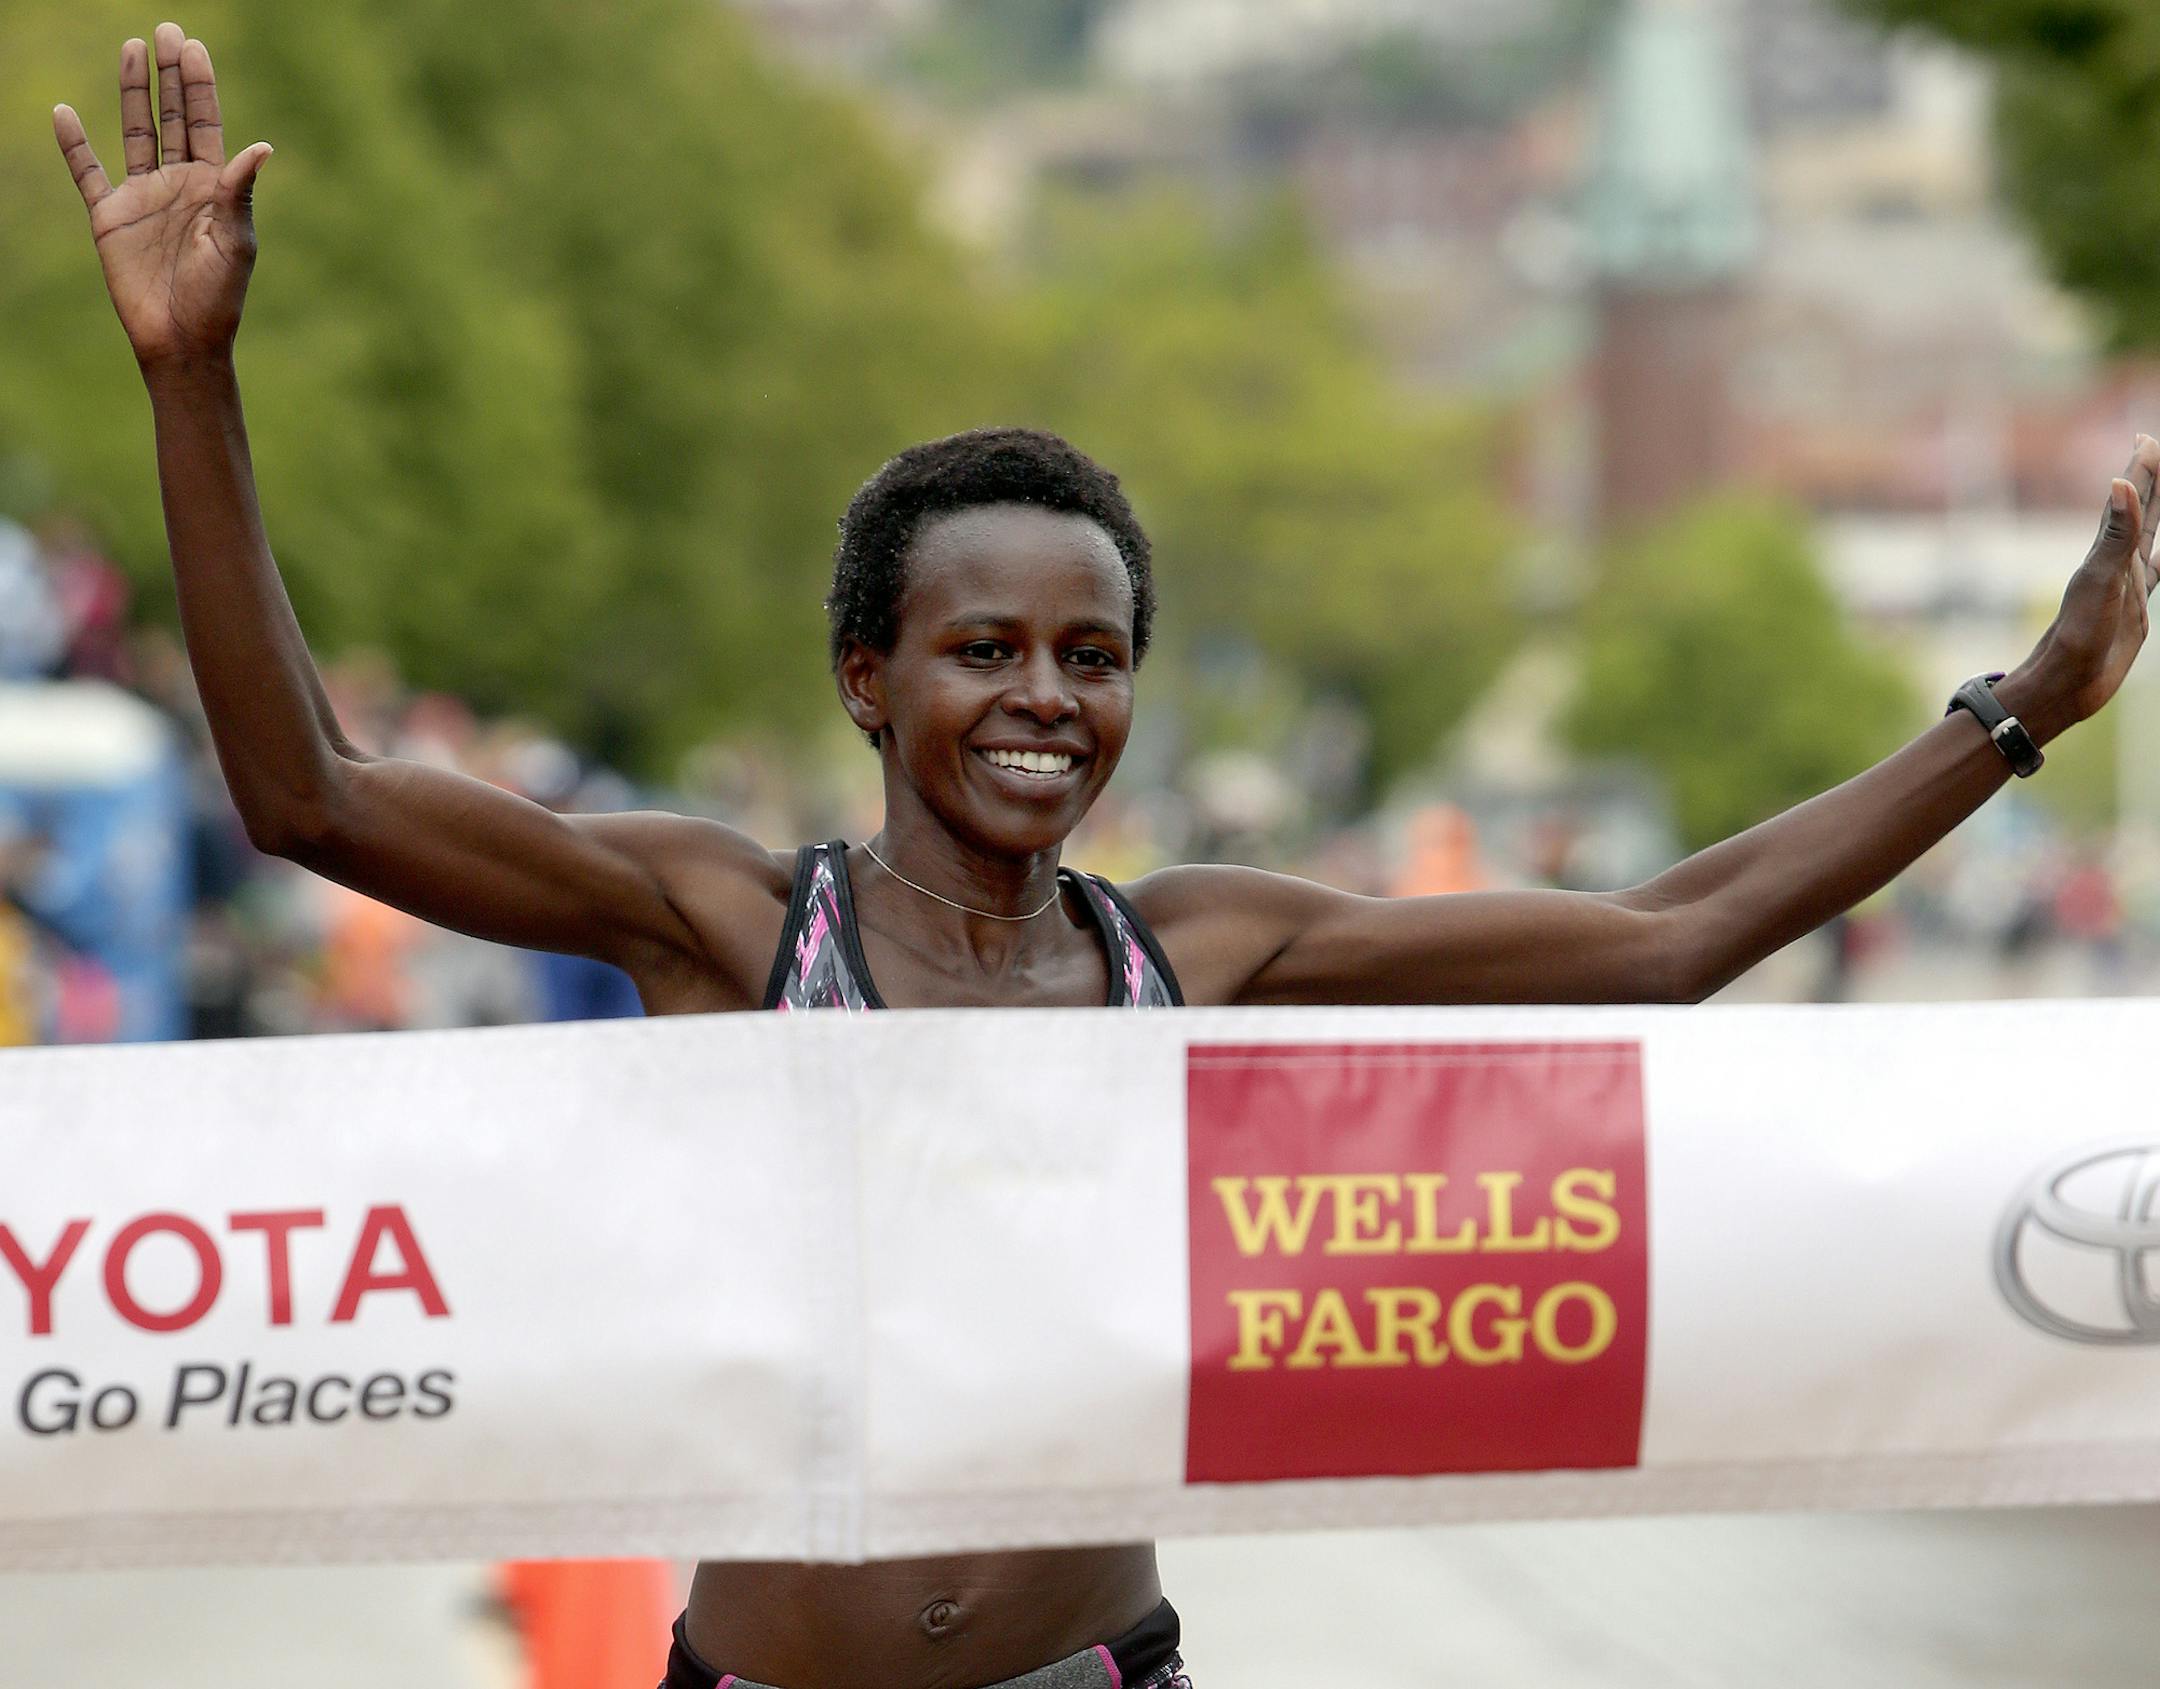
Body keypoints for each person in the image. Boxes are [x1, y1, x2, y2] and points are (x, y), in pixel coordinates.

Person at [50, 25, 2160, 1689]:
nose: (1044, 696)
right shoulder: (723, 922)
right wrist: (195, 384)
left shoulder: (1201, 956)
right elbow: (309, 791)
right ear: (870, 679)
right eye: (984, 650)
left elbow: (1661, 937)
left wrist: (2014, 714)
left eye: (1093, 652)